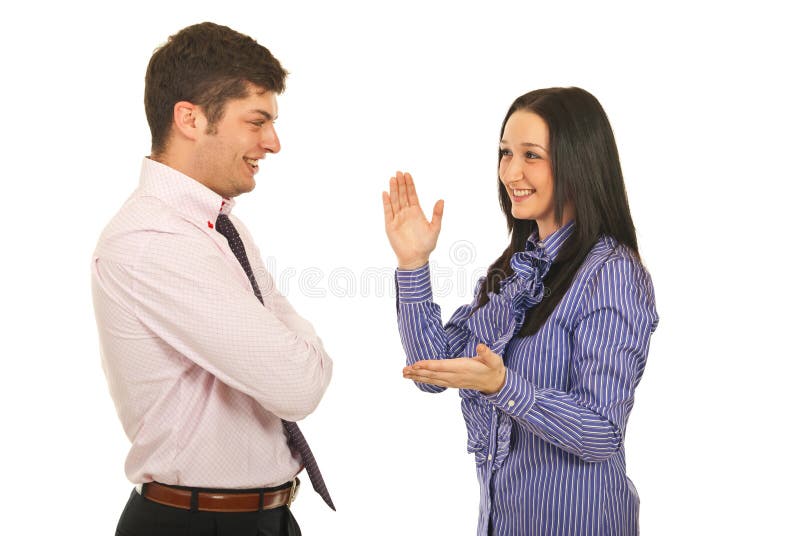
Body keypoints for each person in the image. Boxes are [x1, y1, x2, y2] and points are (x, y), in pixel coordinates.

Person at [92, 22, 334, 536]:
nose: (273, 142)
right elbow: (298, 384)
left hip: (262, 518)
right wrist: (293, 342)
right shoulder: (155, 241)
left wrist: (289, 345)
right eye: (257, 121)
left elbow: (294, 365)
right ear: (191, 118)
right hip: (193, 524)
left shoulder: (219, 226)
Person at [383, 87, 658, 535]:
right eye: (504, 153)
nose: (511, 172)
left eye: (532, 155)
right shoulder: (515, 271)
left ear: (578, 161)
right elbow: (430, 369)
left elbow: (601, 432)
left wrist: (503, 386)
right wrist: (413, 263)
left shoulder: (611, 273)